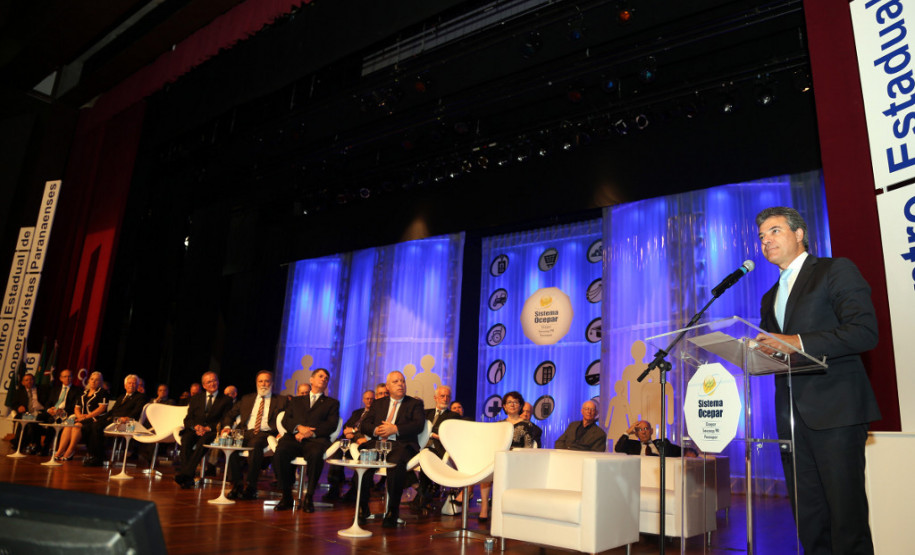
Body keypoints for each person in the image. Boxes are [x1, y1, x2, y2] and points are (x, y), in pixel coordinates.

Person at [754, 206, 880, 554]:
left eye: (775, 231)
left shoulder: (833, 270)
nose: (766, 241)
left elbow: (864, 332)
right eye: (762, 237)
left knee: (846, 518)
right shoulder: (770, 296)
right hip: (791, 418)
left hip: (836, 411)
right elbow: (775, 350)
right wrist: (754, 353)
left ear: (799, 234)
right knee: (809, 519)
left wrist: (799, 342)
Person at [356, 370, 425, 528]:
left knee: (395, 463)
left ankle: (392, 511)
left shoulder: (414, 404)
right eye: (396, 381)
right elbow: (365, 424)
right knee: (363, 462)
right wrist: (376, 430)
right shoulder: (378, 403)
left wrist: (395, 429)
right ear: (387, 386)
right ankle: (362, 508)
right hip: (378, 443)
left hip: (402, 445)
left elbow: (418, 425)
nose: (400, 384)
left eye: (402, 381)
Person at [272, 368, 340, 512]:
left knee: (316, 455)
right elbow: (286, 420)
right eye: (321, 376)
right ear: (311, 380)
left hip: (316, 440)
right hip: (294, 437)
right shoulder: (296, 401)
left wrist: (310, 433)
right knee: (281, 452)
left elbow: (331, 425)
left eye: (326, 378)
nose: (324, 379)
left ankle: (309, 496)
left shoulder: (332, 403)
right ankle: (286, 495)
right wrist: (298, 428)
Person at [219, 370, 288, 500]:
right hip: (245, 432)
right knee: (232, 444)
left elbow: (289, 418)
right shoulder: (246, 399)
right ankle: (237, 484)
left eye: (267, 381)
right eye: (260, 381)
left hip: (266, 434)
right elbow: (230, 415)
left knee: (255, 445)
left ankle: (251, 486)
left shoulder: (281, 400)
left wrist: (282, 432)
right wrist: (227, 427)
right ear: (256, 383)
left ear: (272, 383)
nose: (263, 384)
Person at [478, 391, 537, 521]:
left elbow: (527, 448)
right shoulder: (499, 424)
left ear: (520, 406)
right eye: (509, 402)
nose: (512, 404)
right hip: (499, 457)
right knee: (486, 471)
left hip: (517, 460)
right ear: (504, 406)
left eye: (516, 402)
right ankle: (484, 509)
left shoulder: (527, 425)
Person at [173, 372, 232, 488]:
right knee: (186, 439)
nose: (213, 383)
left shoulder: (226, 400)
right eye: (209, 382)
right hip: (195, 430)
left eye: (214, 380)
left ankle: (186, 474)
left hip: (212, 431)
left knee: (203, 442)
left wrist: (208, 428)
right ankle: (188, 476)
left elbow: (225, 420)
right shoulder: (195, 398)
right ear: (204, 385)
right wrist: (195, 427)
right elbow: (188, 419)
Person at [82, 374, 147, 466]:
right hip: (112, 419)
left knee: (96, 427)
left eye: (134, 383)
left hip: (125, 422)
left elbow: (137, 411)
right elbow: (112, 411)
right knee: (86, 426)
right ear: (125, 385)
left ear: (137, 385)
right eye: (129, 383)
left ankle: (98, 458)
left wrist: (127, 418)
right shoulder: (121, 397)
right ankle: (94, 454)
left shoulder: (140, 397)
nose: (131, 385)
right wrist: (100, 418)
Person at [414, 385, 460, 511]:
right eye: (442, 396)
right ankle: (420, 490)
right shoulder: (425, 413)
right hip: (419, 447)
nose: (445, 399)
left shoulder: (453, 416)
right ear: (435, 398)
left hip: (438, 449)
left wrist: (432, 433)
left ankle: (422, 494)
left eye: (448, 396)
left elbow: (450, 435)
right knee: (401, 455)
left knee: (426, 456)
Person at [324, 388, 375, 501]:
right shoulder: (357, 412)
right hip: (347, 441)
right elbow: (346, 426)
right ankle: (334, 488)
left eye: (372, 399)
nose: (369, 401)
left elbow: (367, 431)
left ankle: (353, 492)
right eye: (367, 398)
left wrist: (353, 432)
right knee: (337, 454)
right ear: (363, 400)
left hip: (360, 444)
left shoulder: (375, 414)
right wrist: (348, 432)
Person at [55, 371, 109, 461]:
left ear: (100, 382)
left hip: (95, 418)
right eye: (92, 379)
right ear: (88, 380)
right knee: (68, 426)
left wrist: (86, 417)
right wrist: (79, 416)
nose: (93, 381)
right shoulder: (83, 392)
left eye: (97, 380)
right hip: (82, 418)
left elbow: (101, 409)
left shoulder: (103, 392)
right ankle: (60, 451)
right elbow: (77, 408)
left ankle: (70, 450)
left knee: (76, 426)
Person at [34, 369, 82, 455]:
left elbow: (75, 405)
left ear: (72, 378)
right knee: (37, 419)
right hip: (52, 412)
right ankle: (37, 446)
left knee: (53, 421)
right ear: (60, 378)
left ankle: (46, 448)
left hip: (65, 414)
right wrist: (49, 410)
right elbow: (48, 403)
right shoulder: (55, 389)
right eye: (65, 376)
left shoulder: (78, 390)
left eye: (69, 376)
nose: (67, 378)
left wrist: (62, 411)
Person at [9, 373, 45, 451]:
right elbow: (13, 404)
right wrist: (18, 407)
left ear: (34, 381)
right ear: (23, 382)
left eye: (31, 379)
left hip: (38, 413)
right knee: (24, 422)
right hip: (25, 413)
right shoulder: (19, 392)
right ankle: (24, 443)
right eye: (27, 380)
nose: (29, 381)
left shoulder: (41, 390)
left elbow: (47, 402)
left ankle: (20, 443)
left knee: (33, 422)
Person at [614, 420, 682, 457]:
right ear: (636, 434)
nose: (643, 432)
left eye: (646, 428)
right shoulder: (632, 445)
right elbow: (618, 449)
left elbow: (681, 452)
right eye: (640, 430)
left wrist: (689, 452)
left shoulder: (661, 443)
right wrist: (628, 432)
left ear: (651, 431)